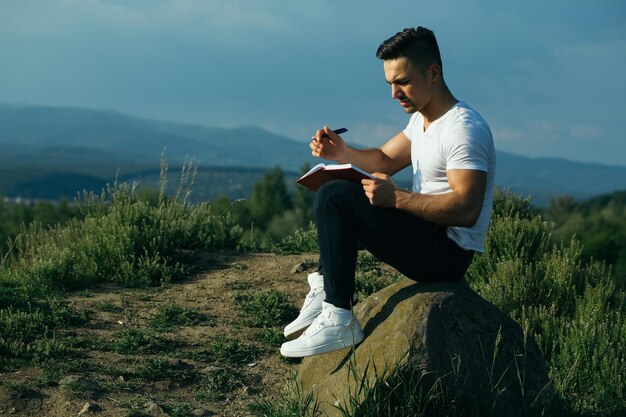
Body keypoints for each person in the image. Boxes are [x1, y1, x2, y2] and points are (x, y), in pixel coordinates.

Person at [280, 26, 496, 358]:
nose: (394, 93)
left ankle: (338, 316)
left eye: (403, 82)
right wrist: (340, 152)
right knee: (341, 185)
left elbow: (466, 209)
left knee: (336, 196)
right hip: (425, 233)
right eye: (390, 83)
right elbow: (383, 159)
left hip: (446, 252)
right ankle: (327, 288)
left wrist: (396, 198)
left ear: (434, 73)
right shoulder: (423, 121)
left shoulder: (463, 129)